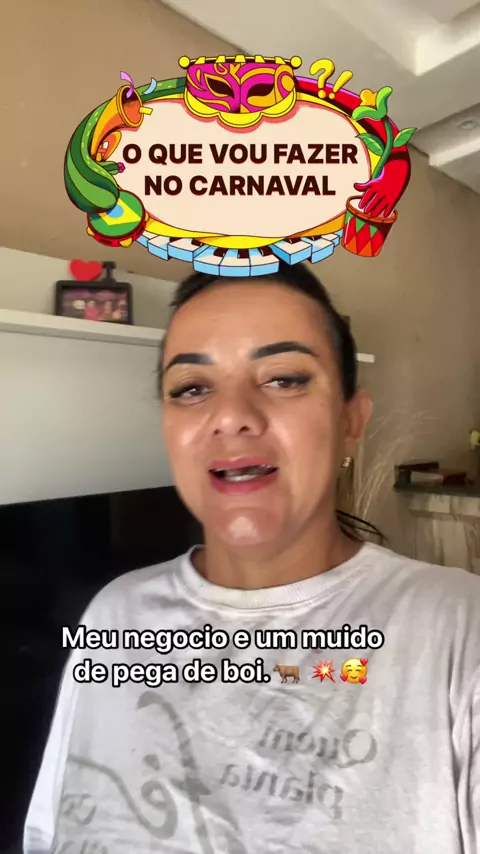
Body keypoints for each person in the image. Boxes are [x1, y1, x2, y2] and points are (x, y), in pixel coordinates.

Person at [23, 262, 480, 853]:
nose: (231, 415)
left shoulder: (458, 628)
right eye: (192, 388)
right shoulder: (116, 614)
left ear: (351, 422)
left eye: (284, 378)